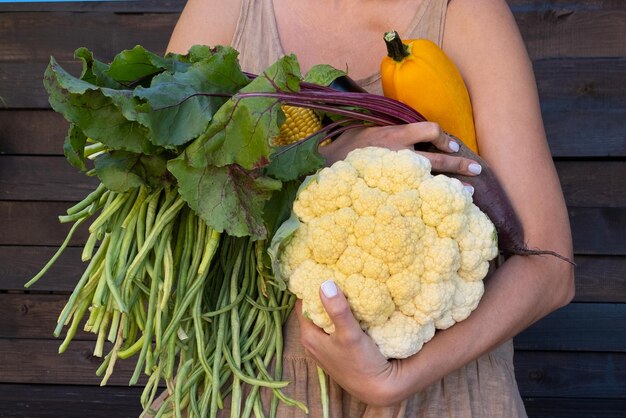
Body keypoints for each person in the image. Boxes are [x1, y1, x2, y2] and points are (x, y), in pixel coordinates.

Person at [162, 0, 575, 416]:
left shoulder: (466, 12)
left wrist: (392, 383)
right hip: (254, 384)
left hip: (440, 391)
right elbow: (158, 204)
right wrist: (325, 160)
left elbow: (551, 268)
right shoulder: (225, 10)